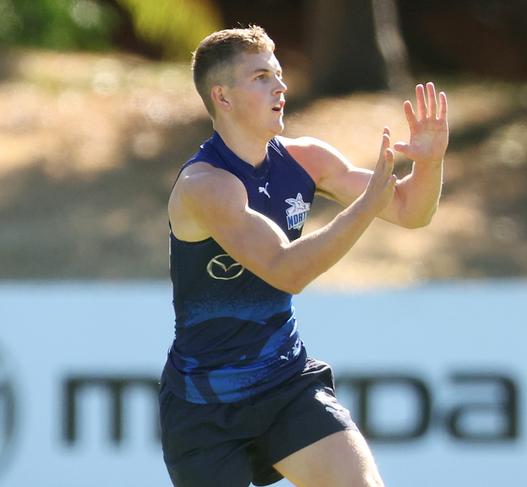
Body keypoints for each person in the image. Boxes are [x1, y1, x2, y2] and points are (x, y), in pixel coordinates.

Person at [159, 25, 449, 487]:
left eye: (278, 73)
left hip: (286, 384)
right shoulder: (206, 187)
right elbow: (286, 270)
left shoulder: (307, 159)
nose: (281, 85)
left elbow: (411, 212)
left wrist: (430, 162)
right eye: (260, 76)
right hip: (204, 407)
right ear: (223, 96)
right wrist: (364, 208)